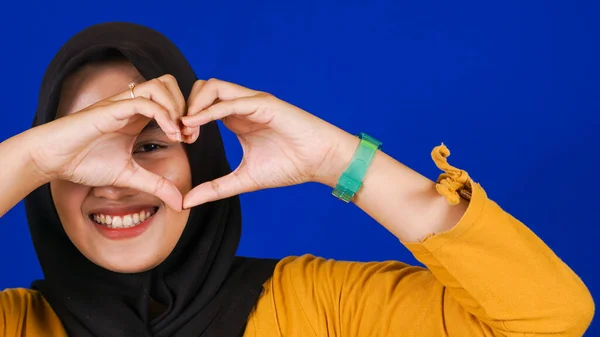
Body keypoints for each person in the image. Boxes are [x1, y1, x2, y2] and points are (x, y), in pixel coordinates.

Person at [0, 22, 594, 337]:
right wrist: (26, 161)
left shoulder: (319, 307)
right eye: (77, 152)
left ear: (200, 155)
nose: (114, 182)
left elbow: (547, 319)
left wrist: (338, 160)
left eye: (149, 144)